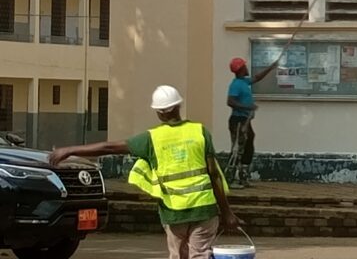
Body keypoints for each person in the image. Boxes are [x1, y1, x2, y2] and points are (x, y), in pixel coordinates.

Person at [48, 85, 241, 259]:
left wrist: (70, 150)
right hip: (205, 210)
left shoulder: (152, 139)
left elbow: (109, 148)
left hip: (174, 213)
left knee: (178, 255)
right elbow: (214, 174)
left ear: (158, 112)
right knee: (200, 255)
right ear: (179, 106)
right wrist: (227, 212)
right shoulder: (200, 132)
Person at [227, 57, 278, 188]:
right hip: (238, 121)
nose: (247, 67)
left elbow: (257, 78)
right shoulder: (236, 85)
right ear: (241, 69)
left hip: (245, 120)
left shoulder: (243, 82)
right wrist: (248, 107)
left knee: (249, 144)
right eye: (244, 65)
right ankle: (230, 179)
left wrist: (271, 67)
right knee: (237, 149)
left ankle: (243, 177)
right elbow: (230, 101)